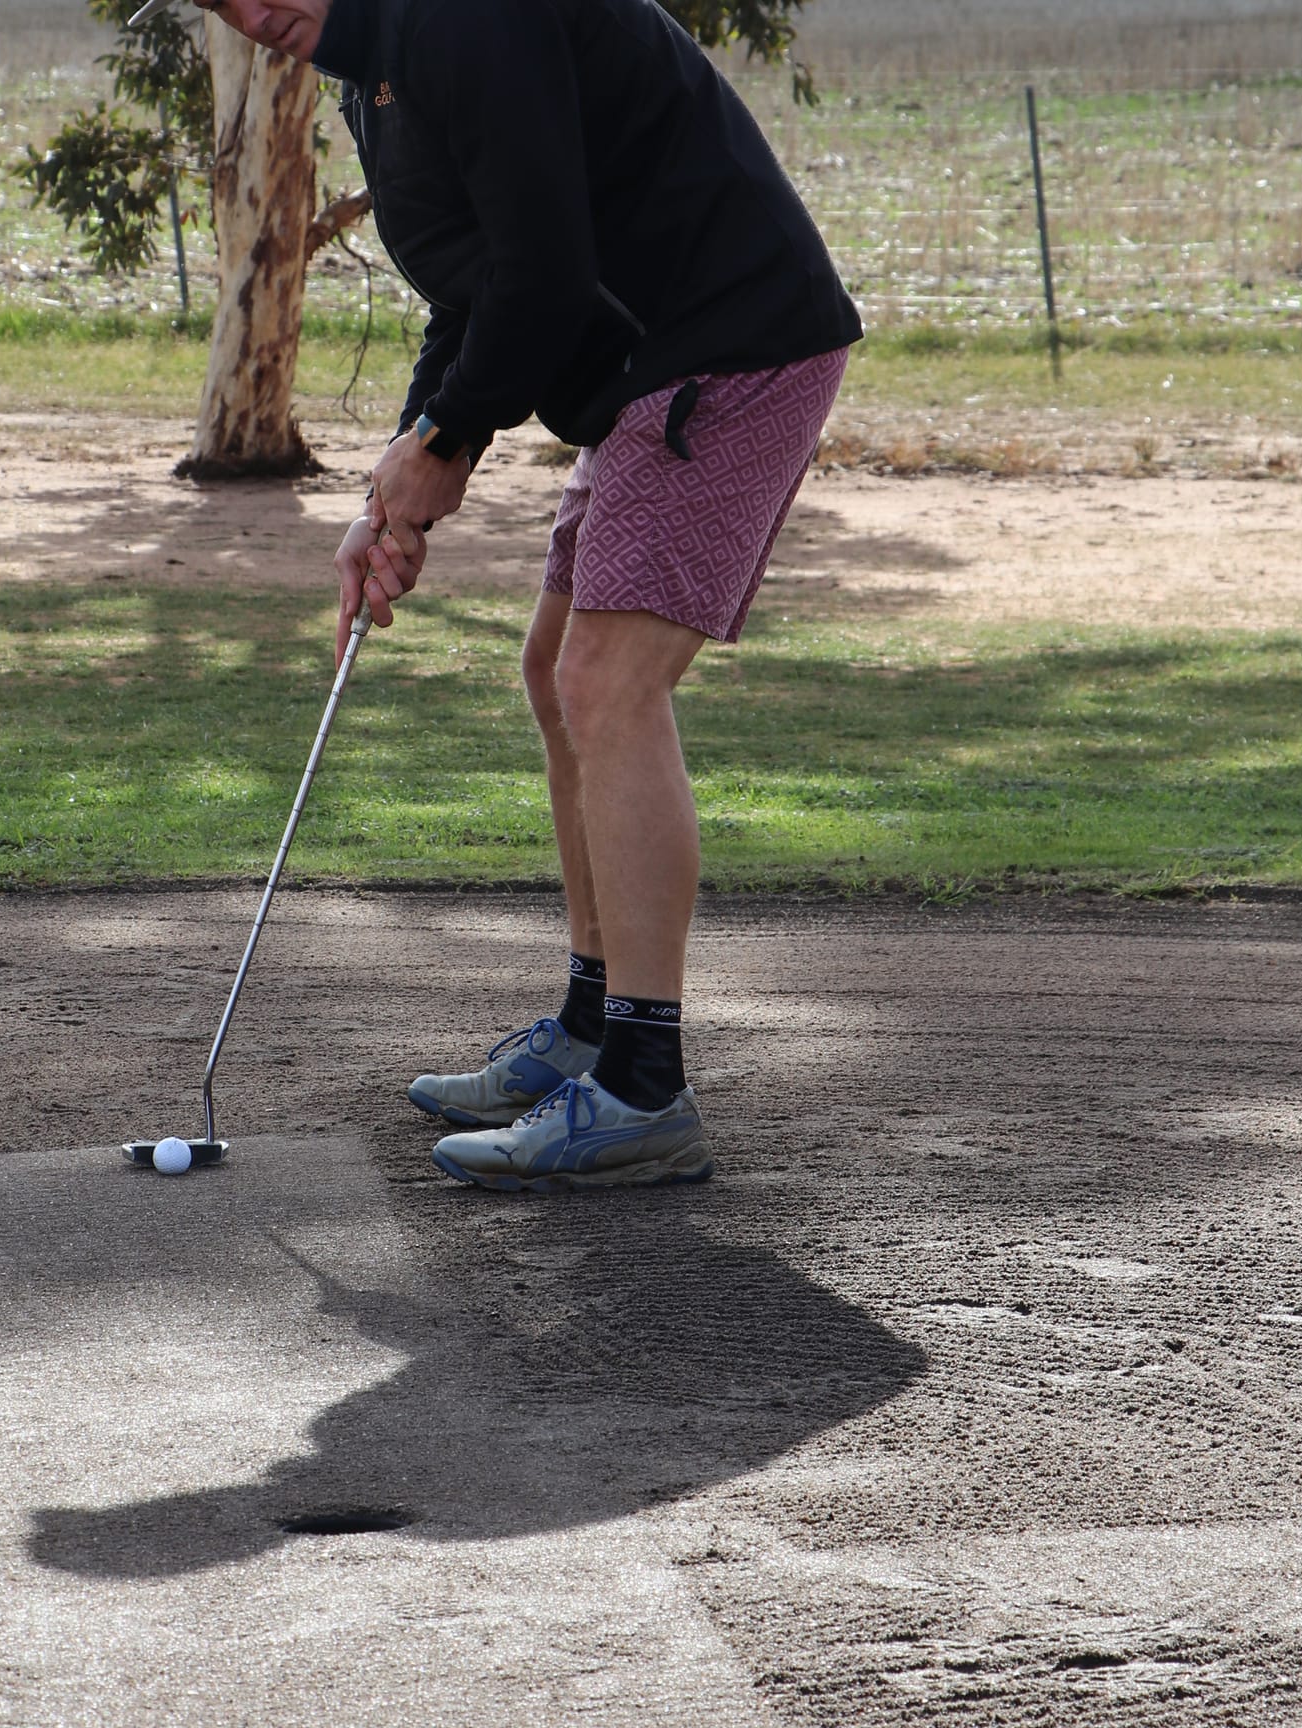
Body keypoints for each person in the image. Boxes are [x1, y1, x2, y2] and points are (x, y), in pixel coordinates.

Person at [133, 0, 860, 1188]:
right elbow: (474, 286)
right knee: (554, 668)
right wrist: (401, 474)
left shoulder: (461, 16)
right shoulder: (378, 66)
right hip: (657, 364)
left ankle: (641, 1086)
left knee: (606, 683)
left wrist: (447, 444)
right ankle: (590, 1024)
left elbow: (546, 272)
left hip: (733, 341)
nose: (255, 7)